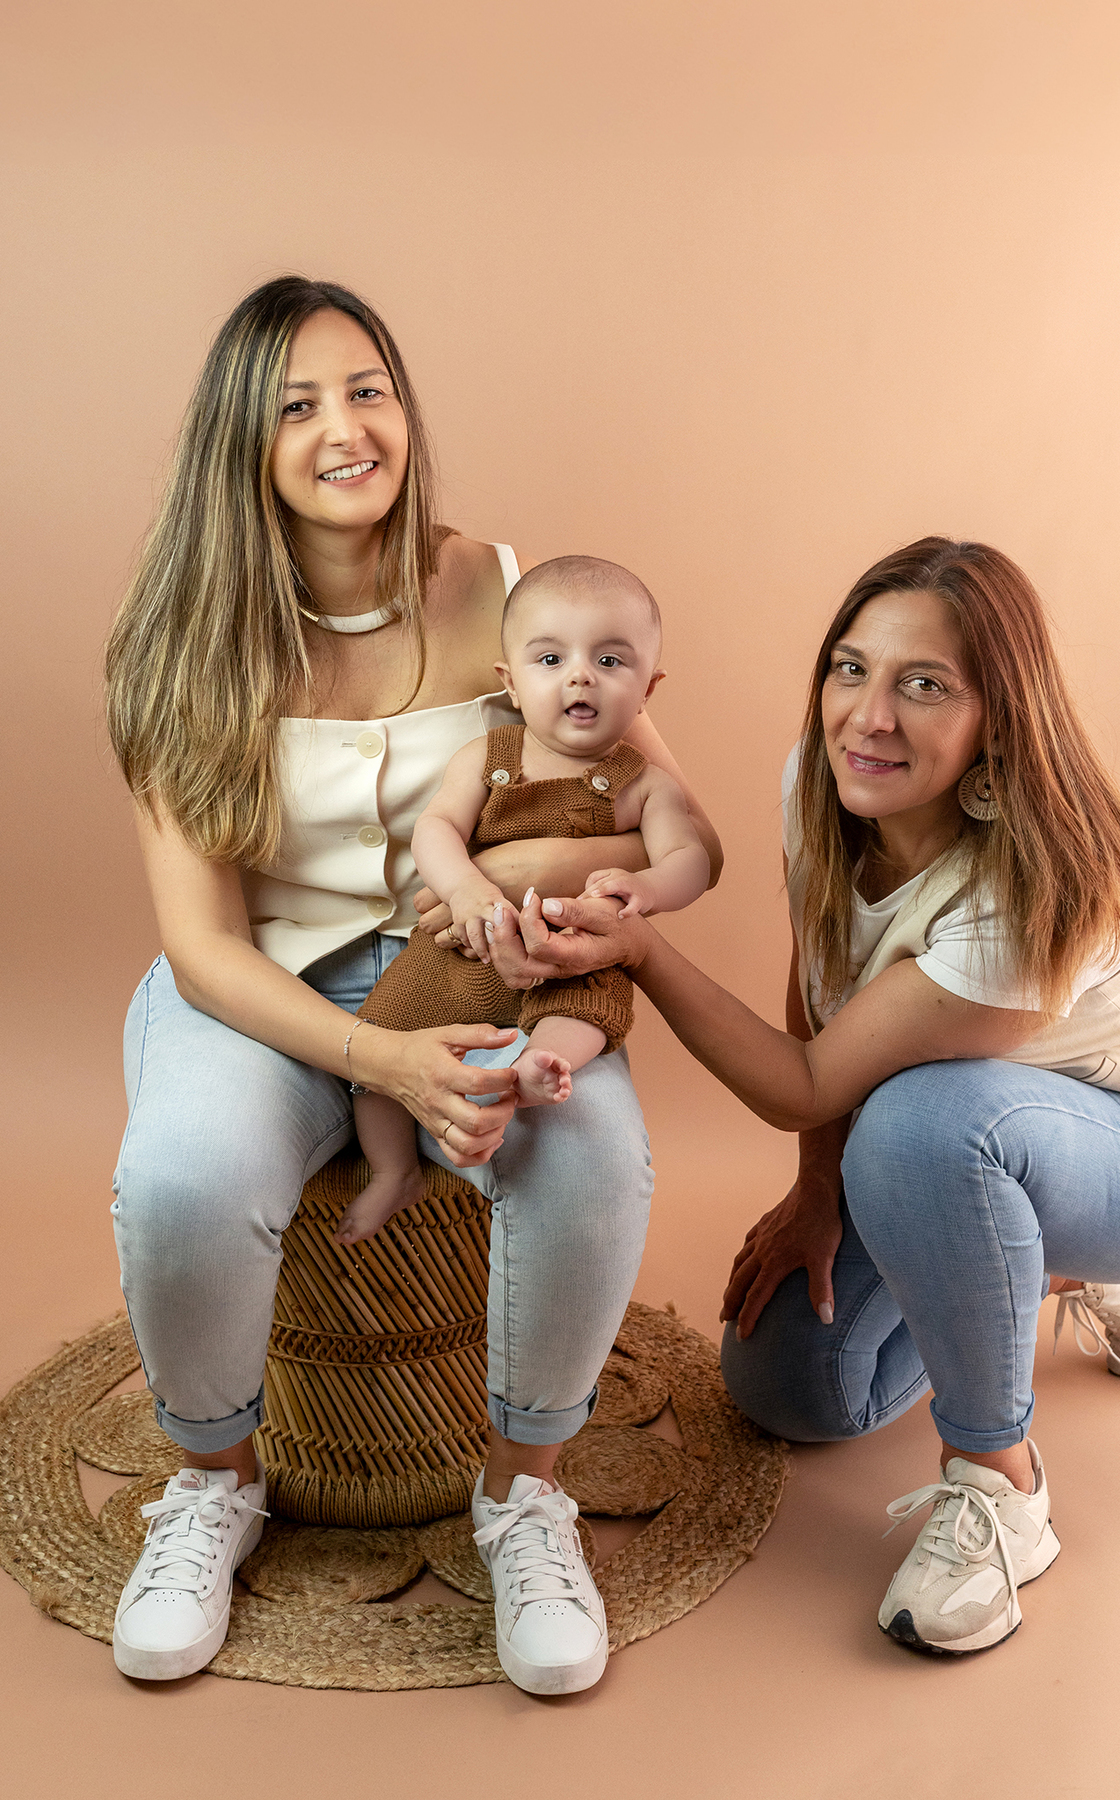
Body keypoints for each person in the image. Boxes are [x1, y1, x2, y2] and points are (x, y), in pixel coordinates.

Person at [102, 276, 720, 1691]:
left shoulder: (508, 588)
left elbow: (651, 803)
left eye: (367, 388)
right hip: (257, 985)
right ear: (238, 441)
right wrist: (383, 1065)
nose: (344, 427)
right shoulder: (176, 639)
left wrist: (578, 922)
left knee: (595, 1153)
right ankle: (212, 1486)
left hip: (484, 973)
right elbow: (199, 943)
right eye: (298, 403)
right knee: (187, 1173)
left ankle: (523, 1494)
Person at [483, 536, 1120, 1657]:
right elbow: (822, 979)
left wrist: (641, 953)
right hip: (988, 1134)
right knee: (792, 1388)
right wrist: (817, 1191)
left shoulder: (1018, 895)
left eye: (926, 685)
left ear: (995, 725)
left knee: (917, 1131)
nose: (870, 714)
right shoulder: (831, 785)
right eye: (852, 669)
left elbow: (808, 1080)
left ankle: (1000, 1485)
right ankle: (1030, 1263)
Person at [336, 554, 709, 1246]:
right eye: (549, 659)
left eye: (609, 660)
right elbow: (437, 829)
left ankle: (536, 1070)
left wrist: (647, 887)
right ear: (509, 681)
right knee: (384, 1044)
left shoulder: (644, 784)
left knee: (587, 1010)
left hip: (573, 953)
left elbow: (689, 859)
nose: (579, 676)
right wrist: (468, 888)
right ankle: (392, 1169)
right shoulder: (486, 756)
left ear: (648, 687)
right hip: (466, 952)